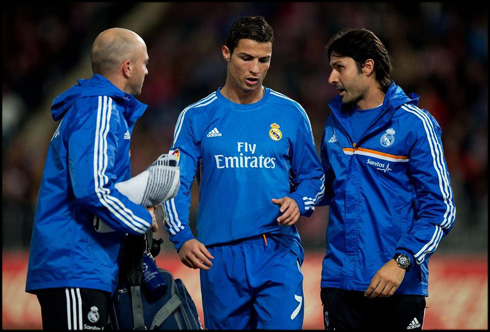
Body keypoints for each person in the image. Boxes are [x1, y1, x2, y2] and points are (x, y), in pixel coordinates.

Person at [164, 16, 325, 330]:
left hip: (277, 250)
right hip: (220, 256)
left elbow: (313, 177)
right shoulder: (196, 116)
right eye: (246, 58)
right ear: (226, 53)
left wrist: (299, 201)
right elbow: (176, 182)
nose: (255, 69)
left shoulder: (290, 113)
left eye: (264, 60)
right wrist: (181, 236)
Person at [25, 27, 178, 330]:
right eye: (144, 62)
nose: (147, 70)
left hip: (85, 263)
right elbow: (93, 189)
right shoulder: (100, 108)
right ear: (127, 67)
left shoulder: (98, 108)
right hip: (75, 262)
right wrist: (140, 219)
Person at [318, 28, 456, 330]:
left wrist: (402, 262)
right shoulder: (334, 123)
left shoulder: (415, 124)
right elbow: (324, 186)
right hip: (339, 282)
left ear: (368, 67)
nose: (331, 78)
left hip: (398, 285)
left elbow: (441, 208)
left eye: (339, 67)